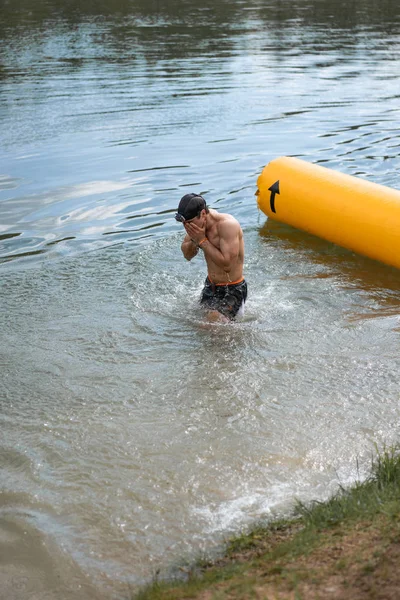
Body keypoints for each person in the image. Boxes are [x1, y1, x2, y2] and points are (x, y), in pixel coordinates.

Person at [175, 193, 247, 321]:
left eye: (190, 223)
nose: (187, 227)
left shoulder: (227, 225)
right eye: (185, 224)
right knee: (196, 324)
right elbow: (187, 255)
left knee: (211, 324)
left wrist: (202, 241)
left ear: (203, 214)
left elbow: (227, 266)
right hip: (211, 286)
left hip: (233, 288)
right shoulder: (196, 226)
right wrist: (194, 239)